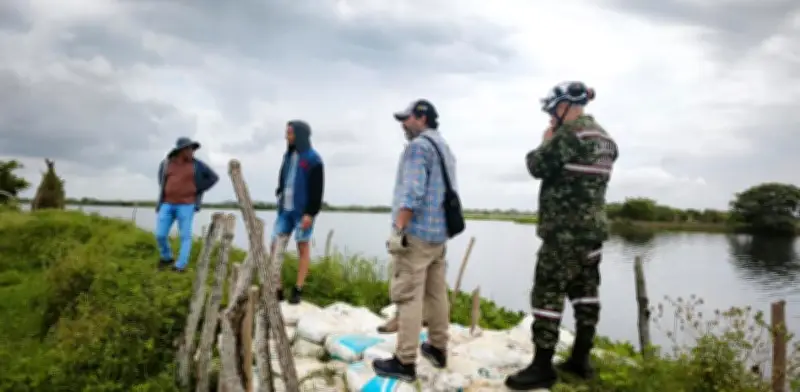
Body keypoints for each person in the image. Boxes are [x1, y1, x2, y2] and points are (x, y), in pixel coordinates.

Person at [504, 82, 619, 390]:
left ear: (564, 106)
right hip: (593, 232)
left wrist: (545, 141)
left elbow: (537, 165)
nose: (552, 115)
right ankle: (581, 359)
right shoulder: (607, 139)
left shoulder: (569, 135)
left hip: (564, 233)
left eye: (554, 110)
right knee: (586, 294)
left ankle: (542, 366)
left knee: (547, 294)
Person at [372, 99, 454, 382]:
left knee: (408, 296)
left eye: (406, 119)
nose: (403, 125)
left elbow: (412, 193)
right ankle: (438, 348)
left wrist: (398, 228)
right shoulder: (443, 146)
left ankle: (405, 361)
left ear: (421, 117)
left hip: (417, 235)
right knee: (436, 293)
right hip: (438, 235)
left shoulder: (418, 147)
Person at [272, 120, 324, 305]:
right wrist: (279, 190)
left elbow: (317, 189)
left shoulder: (313, 159)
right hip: (284, 210)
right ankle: (276, 287)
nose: (287, 136)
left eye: (290, 133)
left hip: (302, 212)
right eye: (287, 133)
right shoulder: (288, 156)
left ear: (300, 135)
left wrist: (310, 213)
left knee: (302, 247)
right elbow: (283, 175)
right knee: (275, 245)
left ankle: (298, 289)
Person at [156, 137, 219, 272]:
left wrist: (197, 188)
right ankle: (166, 257)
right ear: (181, 150)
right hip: (167, 204)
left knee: (185, 236)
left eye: (193, 149)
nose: (192, 152)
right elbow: (161, 181)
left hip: (186, 205)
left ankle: (180, 265)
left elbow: (214, 178)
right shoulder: (166, 164)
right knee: (160, 235)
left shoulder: (197, 165)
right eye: (189, 149)